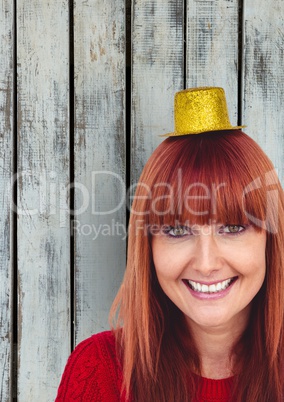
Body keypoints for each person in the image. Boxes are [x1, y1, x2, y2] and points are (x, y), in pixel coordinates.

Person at [55, 87, 284, 401]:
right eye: (177, 230)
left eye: (232, 227)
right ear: (147, 247)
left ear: (270, 241)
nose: (206, 263)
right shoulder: (101, 370)